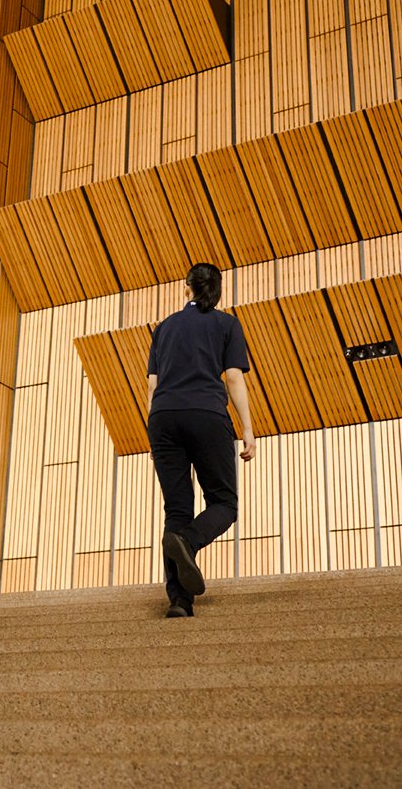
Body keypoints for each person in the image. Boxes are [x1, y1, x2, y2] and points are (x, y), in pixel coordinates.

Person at [146, 262, 255, 619]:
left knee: (176, 509)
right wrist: (247, 428)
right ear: (218, 292)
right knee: (224, 503)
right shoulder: (227, 324)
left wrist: (153, 435)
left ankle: (179, 601)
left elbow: (152, 386)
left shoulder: (164, 328)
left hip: (163, 417)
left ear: (186, 288)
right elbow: (235, 378)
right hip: (207, 414)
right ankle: (189, 542)